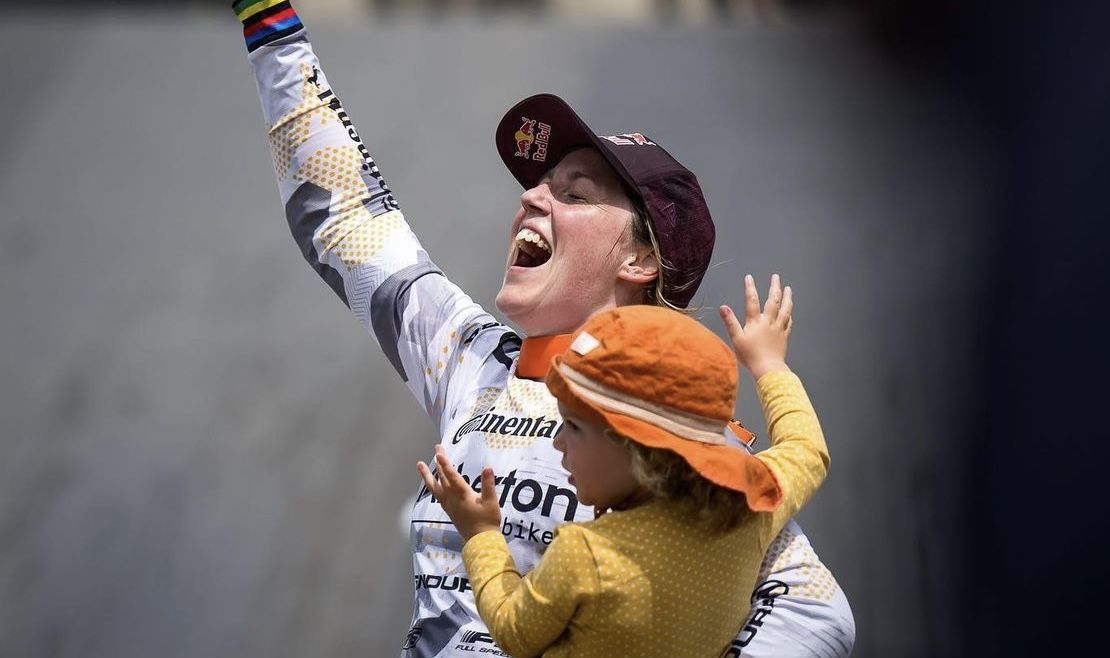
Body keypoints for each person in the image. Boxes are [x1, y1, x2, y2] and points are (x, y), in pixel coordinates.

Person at [230, 1, 855, 655]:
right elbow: (347, 216)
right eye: (538, 185)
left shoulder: (692, 440)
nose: (530, 196)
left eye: (575, 193)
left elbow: (816, 616)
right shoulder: (472, 355)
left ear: (642, 260)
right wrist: (270, 24)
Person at [419, 278, 829, 657]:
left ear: (639, 450)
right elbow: (807, 450)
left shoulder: (585, 556)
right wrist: (769, 364)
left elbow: (512, 632)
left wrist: (481, 533)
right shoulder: (750, 509)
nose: (558, 441)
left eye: (574, 427)